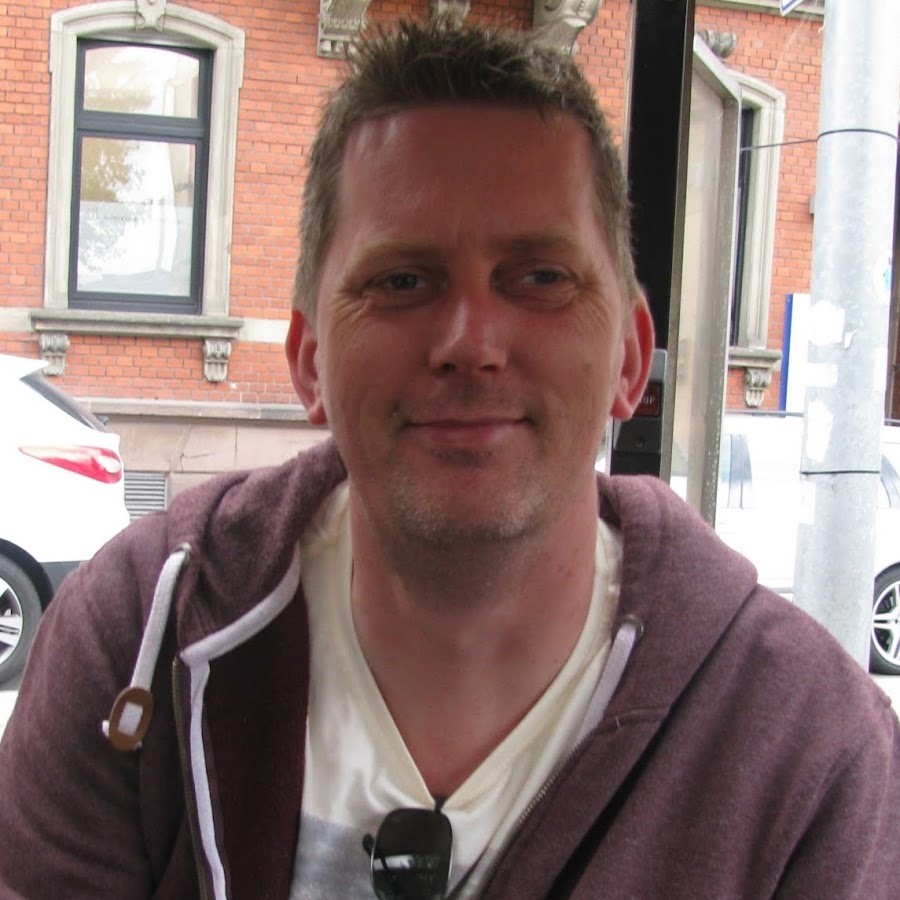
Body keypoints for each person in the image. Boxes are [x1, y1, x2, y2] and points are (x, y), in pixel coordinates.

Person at [1, 17, 898, 900]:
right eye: (402, 281)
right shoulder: (138, 635)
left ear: (629, 357)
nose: (471, 342)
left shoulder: (810, 753)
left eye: (540, 277)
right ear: (310, 361)